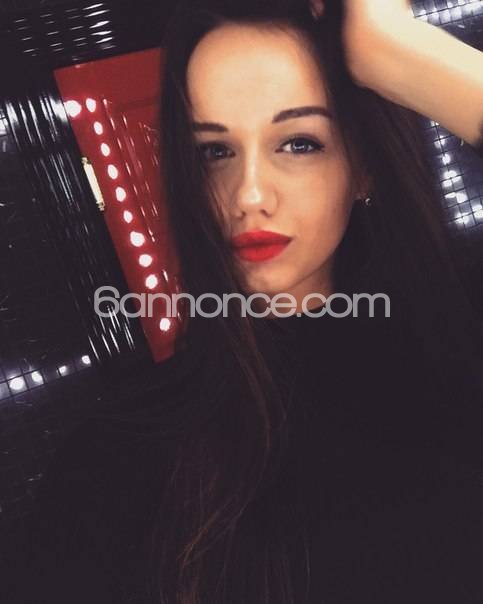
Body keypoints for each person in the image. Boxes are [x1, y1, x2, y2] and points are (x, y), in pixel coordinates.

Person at [3, 0, 483, 602]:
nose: (248, 194)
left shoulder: (462, 347)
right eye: (214, 151)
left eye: (299, 143)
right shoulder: (116, 461)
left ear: (363, 168)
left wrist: (398, 52)